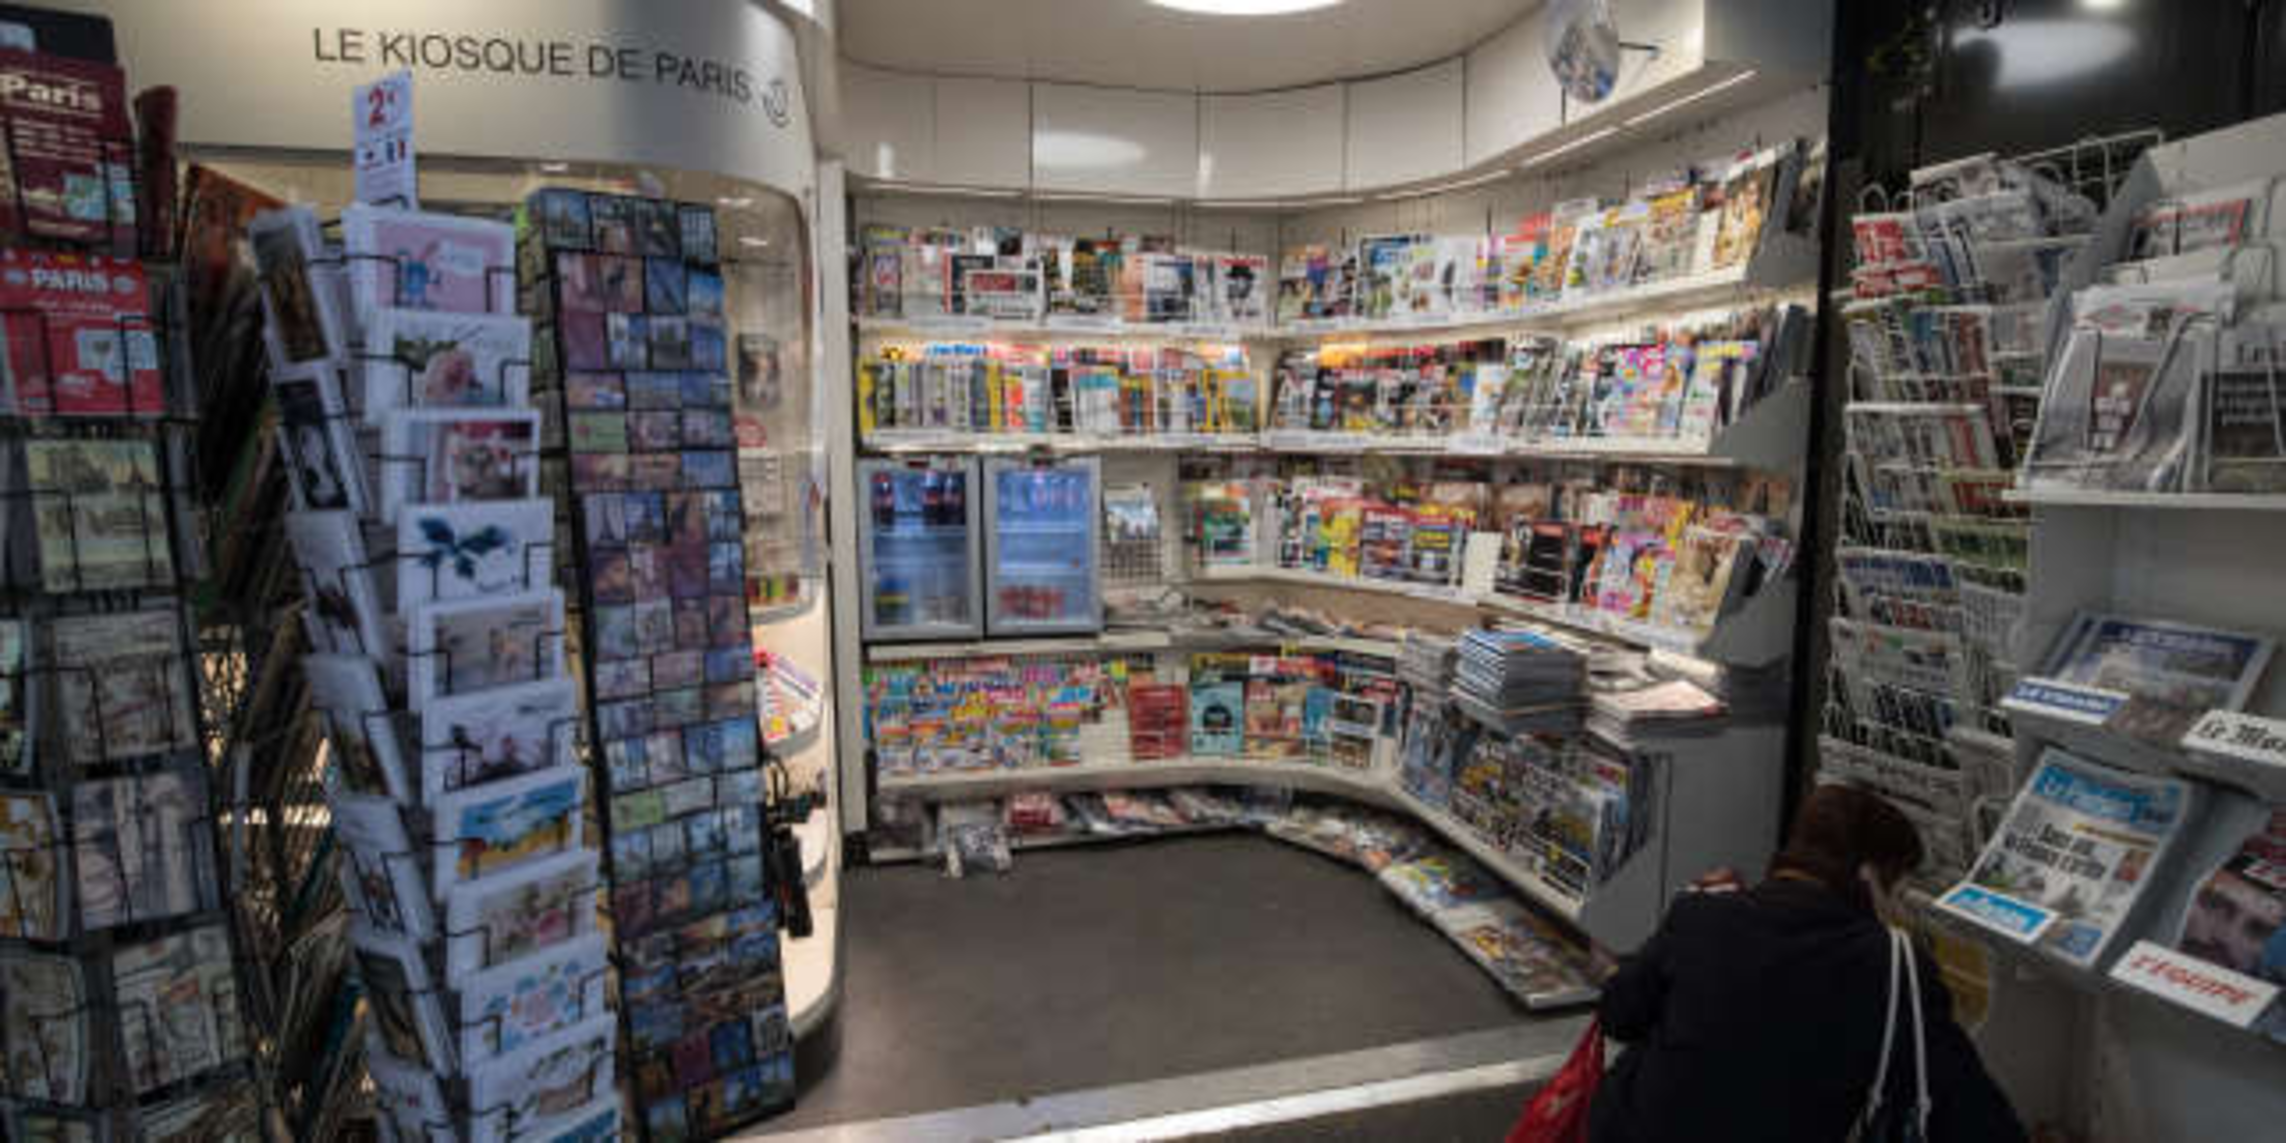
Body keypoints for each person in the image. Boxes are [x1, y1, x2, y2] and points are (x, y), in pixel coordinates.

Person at [1588, 784, 2025, 1143]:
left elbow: (1620, 1016)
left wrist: (1613, 972)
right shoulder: (1890, 964)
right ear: (1868, 876)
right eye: (1897, 891)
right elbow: (1970, 1109)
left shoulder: (1702, 913)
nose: (1898, 909)